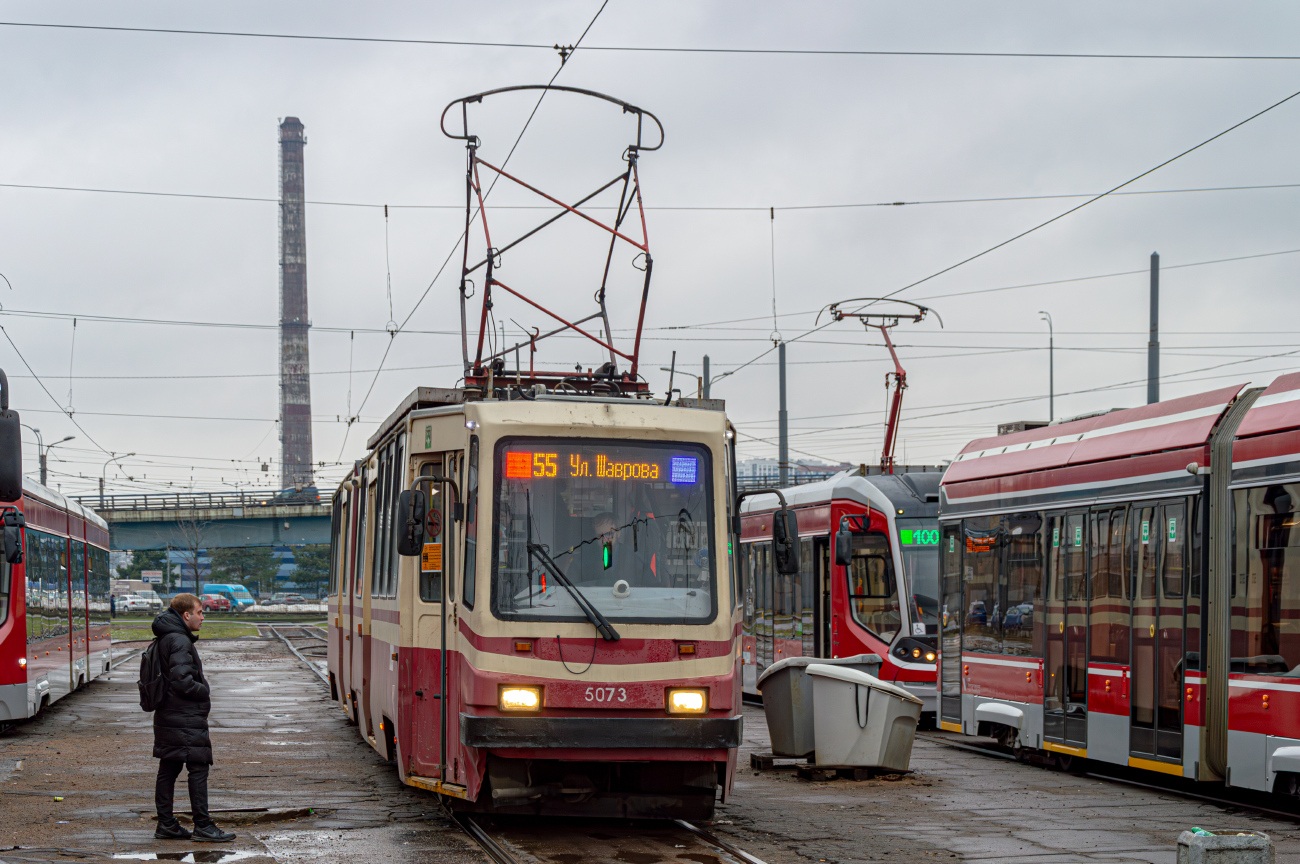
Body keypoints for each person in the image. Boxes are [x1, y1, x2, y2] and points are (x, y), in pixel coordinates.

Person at [151, 593, 236, 842]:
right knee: (198, 767)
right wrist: (204, 691)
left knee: (169, 767)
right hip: (184, 716)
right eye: (199, 612)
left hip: (170, 714)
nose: (203, 616)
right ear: (186, 615)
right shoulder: (179, 640)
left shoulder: (168, 635)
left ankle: (166, 824)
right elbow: (182, 681)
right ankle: (203, 826)